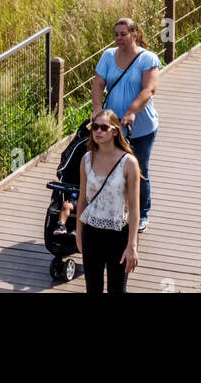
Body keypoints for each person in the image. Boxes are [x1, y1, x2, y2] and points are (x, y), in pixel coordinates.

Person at [91, 17, 161, 232]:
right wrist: (96, 108)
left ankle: (141, 213)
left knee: (139, 169)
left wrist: (131, 112)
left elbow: (149, 89)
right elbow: (98, 82)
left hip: (140, 127)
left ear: (134, 35)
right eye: (116, 34)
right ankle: (112, 209)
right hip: (112, 126)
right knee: (111, 167)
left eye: (123, 34)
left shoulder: (147, 59)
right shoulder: (108, 56)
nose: (119, 38)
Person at [75, 109, 140, 294]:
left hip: (119, 234)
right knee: (92, 289)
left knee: (117, 289)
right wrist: (79, 236)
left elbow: (135, 207)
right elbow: (82, 200)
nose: (98, 131)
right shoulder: (86, 160)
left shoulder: (129, 163)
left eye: (104, 127)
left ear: (114, 131)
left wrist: (132, 245)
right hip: (92, 233)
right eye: (95, 127)